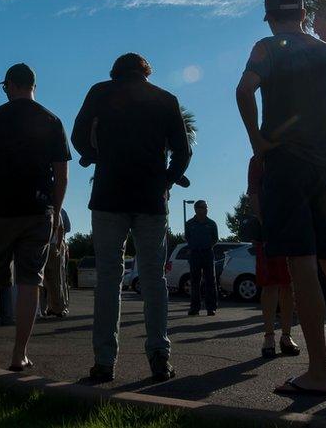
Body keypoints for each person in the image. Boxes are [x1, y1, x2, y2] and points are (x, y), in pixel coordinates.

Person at [236, 0, 326, 396]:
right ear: (303, 13)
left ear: (269, 17)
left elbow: (244, 90)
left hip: (288, 165)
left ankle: (319, 372)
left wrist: (258, 143)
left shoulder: (267, 47)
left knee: (303, 266)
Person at [72, 53, 191, 383]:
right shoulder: (166, 99)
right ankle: (159, 357)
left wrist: (98, 157)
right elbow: (183, 150)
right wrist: (167, 179)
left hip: (109, 195)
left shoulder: (100, 92)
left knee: (108, 280)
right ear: (146, 72)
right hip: (150, 198)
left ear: (115, 73)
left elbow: (78, 136)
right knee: (154, 280)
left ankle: (104, 362)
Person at [0, 63, 71, 372]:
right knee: (29, 283)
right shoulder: (52, 121)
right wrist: (56, 212)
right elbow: (62, 177)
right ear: (33, 85)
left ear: (10, 84)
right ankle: (18, 354)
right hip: (38, 212)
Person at [247, 156, 301, 358]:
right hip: (268, 230)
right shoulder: (259, 160)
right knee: (270, 285)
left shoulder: (295, 155)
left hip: (292, 228)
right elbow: (253, 193)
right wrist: (264, 222)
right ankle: (269, 336)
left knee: (288, 285)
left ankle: (286, 336)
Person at [185, 200, 218, 316]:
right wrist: (195, 247)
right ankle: (194, 308)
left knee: (210, 281)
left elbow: (215, 238)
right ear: (196, 209)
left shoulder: (211, 223)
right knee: (194, 282)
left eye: (206, 207)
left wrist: (207, 246)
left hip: (208, 254)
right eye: (203, 207)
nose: (205, 209)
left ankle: (211, 307)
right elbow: (187, 237)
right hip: (195, 254)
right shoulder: (189, 223)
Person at [43, 207, 71, 317]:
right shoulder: (57, 209)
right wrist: (59, 246)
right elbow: (64, 228)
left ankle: (49, 307)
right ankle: (57, 307)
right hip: (52, 245)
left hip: (44, 245)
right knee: (56, 279)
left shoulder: (54, 209)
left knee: (46, 280)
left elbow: (62, 228)